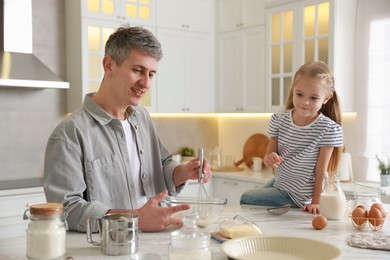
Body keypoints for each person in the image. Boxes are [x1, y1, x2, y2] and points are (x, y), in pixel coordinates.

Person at [43, 25, 212, 232]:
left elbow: (161, 166)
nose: (146, 83)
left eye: (151, 74)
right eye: (138, 70)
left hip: (156, 240)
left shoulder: (142, 118)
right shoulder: (69, 134)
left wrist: (183, 172)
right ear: (109, 65)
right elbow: (66, 210)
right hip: (108, 249)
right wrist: (135, 219)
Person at [240, 61, 343, 214]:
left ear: (327, 98)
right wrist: (270, 158)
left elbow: (322, 169)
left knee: (246, 197)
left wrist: (315, 202)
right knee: (256, 203)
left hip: (297, 195)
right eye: (299, 94)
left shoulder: (328, 128)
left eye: (314, 98)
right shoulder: (279, 120)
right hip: (281, 183)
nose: (305, 102)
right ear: (293, 90)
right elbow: (269, 156)